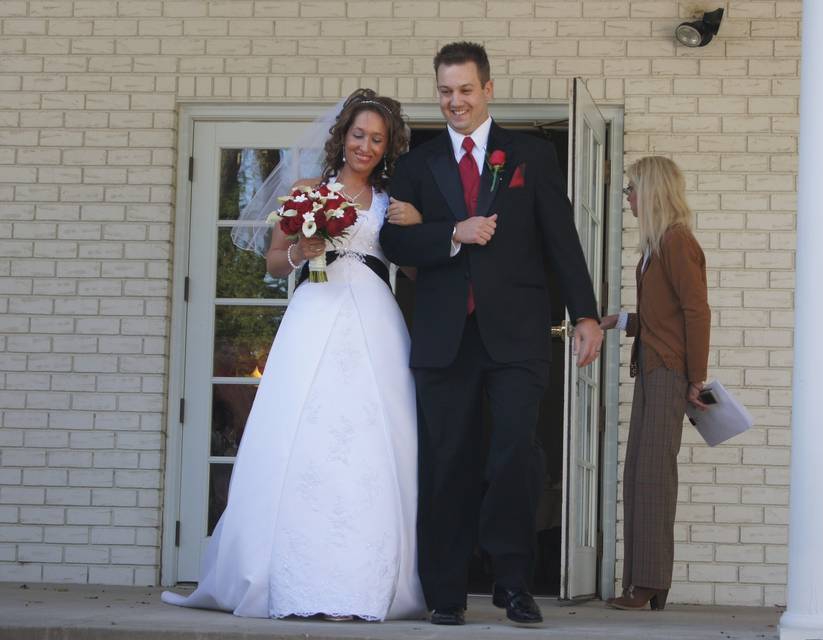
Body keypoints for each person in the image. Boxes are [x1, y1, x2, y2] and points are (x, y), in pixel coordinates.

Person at [162, 89, 426, 621]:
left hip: (376, 320)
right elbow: (274, 263)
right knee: (301, 436)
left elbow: (417, 272)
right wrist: (301, 251)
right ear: (342, 136)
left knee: (372, 443)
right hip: (315, 314)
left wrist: (418, 227)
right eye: (358, 135)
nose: (365, 146)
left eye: (377, 139)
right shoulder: (309, 191)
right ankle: (288, 577)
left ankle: (364, 584)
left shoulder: (391, 203)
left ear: (387, 146)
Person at [379, 42, 603, 626]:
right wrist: (452, 231)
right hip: (443, 338)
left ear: (488, 89)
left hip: (518, 335)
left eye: (466, 90)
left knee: (513, 457)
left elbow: (562, 240)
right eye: (446, 91)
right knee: (448, 460)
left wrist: (584, 313)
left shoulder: (529, 154)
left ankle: (513, 582)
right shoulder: (417, 165)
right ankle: (446, 591)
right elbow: (395, 244)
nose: (455, 101)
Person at [599, 156, 710, 611]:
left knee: (653, 477)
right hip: (652, 369)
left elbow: (696, 312)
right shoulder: (656, 247)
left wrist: (695, 378)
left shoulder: (677, 242)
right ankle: (644, 585)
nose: (628, 198)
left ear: (652, 192)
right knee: (640, 475)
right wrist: (620, 320)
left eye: (631, 190)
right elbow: (661, 317)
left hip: (668, 373)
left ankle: (647, 585)